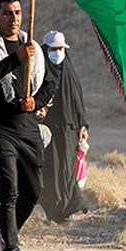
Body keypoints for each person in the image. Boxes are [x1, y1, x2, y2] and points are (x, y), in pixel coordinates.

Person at [0, 0, 58, 251]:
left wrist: (36, 102)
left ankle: (4, 234)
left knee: (32, 191)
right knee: (8, 188)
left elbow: (49, 83)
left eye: (18, 13)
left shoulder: (33, 47)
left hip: (27, 125)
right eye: (7, 13)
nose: (14, 18)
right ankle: (11, 250)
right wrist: (16, 58)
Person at [39, 30, 90, 223]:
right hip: (46, 128)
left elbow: (78, 99)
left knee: (67, 169)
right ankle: (54, 210)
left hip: (69, 128)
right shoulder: (39, 72)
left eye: (60, 49)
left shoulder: (69, 72)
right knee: (50, 168)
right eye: (53, 49)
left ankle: (66, 209)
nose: (57, 53)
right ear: (45, 50)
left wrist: (83, 124)